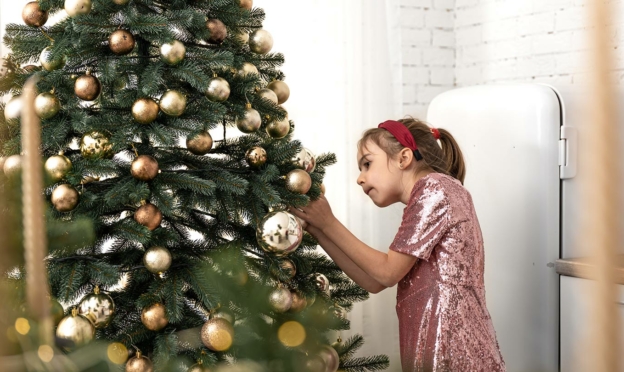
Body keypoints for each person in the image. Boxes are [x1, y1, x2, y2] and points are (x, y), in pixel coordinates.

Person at [289, 118, 506, 372]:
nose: (360, 178)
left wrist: (329, 223)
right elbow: (374, 280)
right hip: (436, 347)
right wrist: (318, 227)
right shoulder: (435, 193)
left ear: (404, 158)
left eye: (367, 164)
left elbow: (386, 272)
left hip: (452, 350)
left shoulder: (434, 189)